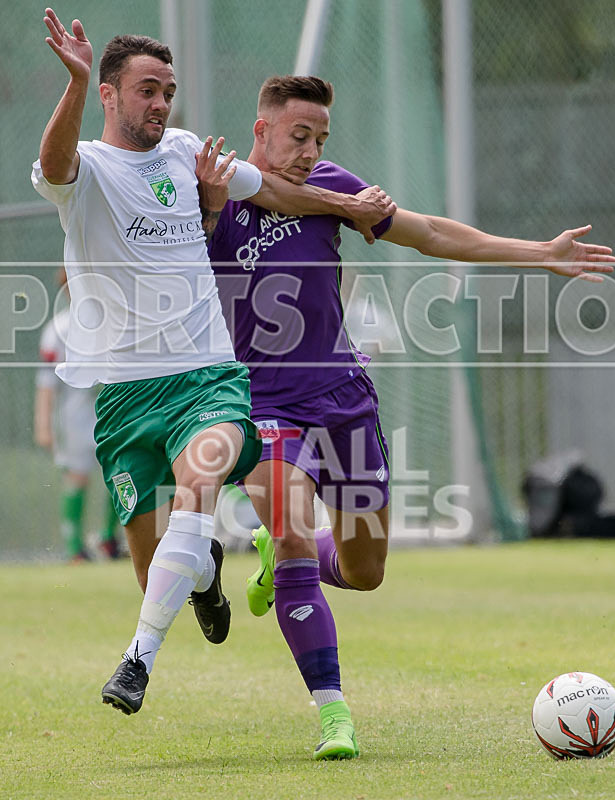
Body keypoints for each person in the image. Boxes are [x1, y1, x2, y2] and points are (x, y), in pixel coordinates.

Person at [206, 75, 615, 760]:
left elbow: (427, 232)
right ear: (262, 129)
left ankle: (278, 554)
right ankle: (332, 714)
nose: (310, 151)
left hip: (343, 401)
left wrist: (536, 253)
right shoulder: (214, 190)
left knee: (365, 570)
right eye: (298, 136)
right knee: (291, 528)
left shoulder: (333, 187)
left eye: (320, 139)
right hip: (261, 404)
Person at [31, 11, 395, 719]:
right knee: (154, 570)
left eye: (167, 89)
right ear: (109, 96)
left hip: (207, 377)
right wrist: (71, 82)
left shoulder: (188, 150)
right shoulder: (88, 168)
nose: (160, 102)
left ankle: (138, 661)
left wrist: (346, 205)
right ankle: (202, 572)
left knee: (201, 485)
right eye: (145, 89)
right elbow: (52, 165)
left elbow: (280, 193)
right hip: (127, 394)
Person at [34, 272, 122, 562]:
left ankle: (110, 539)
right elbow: (46, 384)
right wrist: (43, 424)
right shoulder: (58, 329)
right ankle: (74, 549)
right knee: (77, 477)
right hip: (75, 416)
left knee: (120, 472)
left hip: (110, 410)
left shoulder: (113, 320)